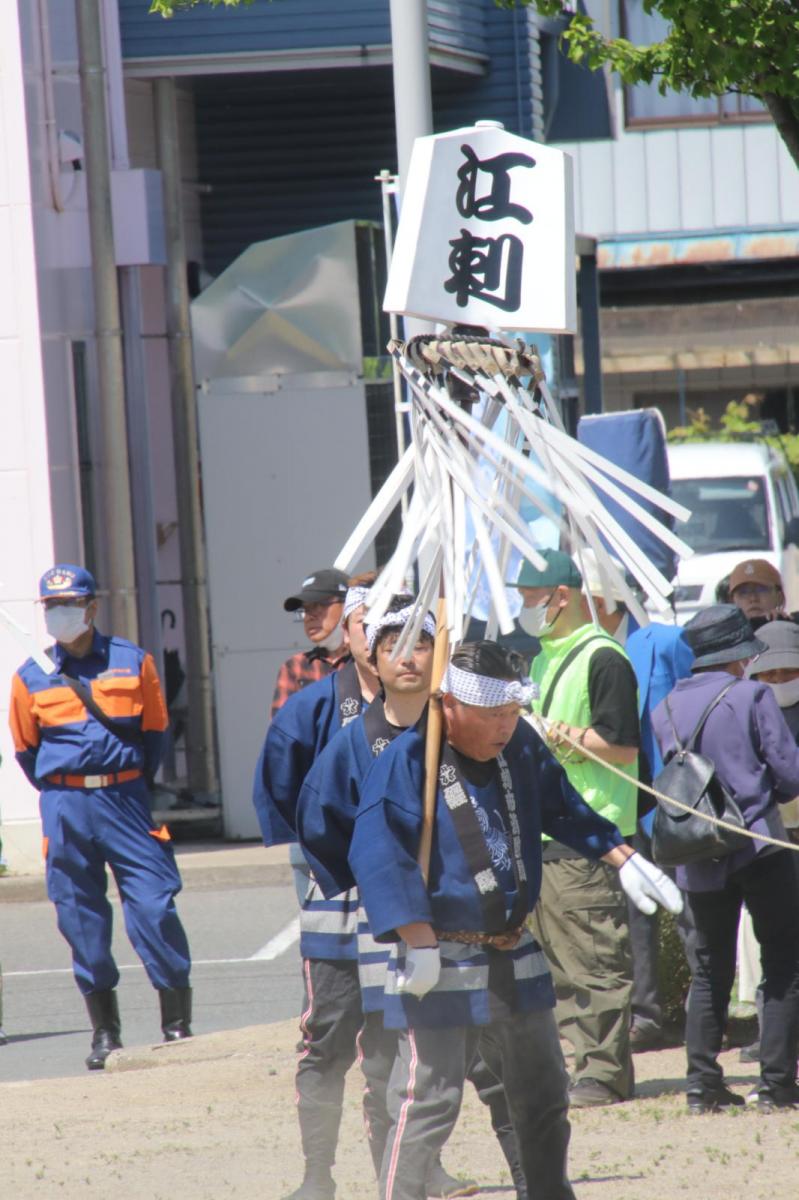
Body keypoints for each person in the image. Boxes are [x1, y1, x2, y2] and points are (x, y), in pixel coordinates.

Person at [349, 640, 682, 1200]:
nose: (505, 727)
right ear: (450, 704)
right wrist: (418, 939)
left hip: (513, 945)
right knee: (430, 1097)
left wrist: (623, 857)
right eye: (492, 715)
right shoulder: (410, 759)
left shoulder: (520, 745)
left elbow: (563, 805)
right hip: (442, 951)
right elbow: (379, 854)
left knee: (543, 1091)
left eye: (511, 714)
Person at [299, 608, 521, 1199]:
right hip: (373, 920)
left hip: (459, 924)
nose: (406, 658)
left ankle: (448, 1172)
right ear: (371, 655)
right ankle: (332, 1175)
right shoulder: (352, 741)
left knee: (468, 1061)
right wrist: (375, 877)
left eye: (421, 645)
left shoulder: (468, 738)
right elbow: (310, 814)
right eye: (391, 645)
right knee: (366, 1051)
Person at [8, 565, 192, 1070]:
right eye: (50, 606)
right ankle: (104, 1033)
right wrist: (69, 788)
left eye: (68, 604)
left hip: (125, 800)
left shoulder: (134, 663)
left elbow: (155, 732)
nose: (58, 614)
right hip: (67, 806)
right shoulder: (30, 673)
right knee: (80, 917)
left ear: (91, 607)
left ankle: (176, 1025)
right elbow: (27, 750)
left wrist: (123, 782)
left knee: (154, 906)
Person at [652, 604, 799, 1113]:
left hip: (697, 852)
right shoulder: (753, 695)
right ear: (739, 655)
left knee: (709, 970)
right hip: (758, 844)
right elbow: (790, 776)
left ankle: (702, 1086)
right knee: (783, 962)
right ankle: (777, 1084)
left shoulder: (665, 706)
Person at [518, 550, 640, 1106]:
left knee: (594, 960)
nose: (525, 608)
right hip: (547, 833)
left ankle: (604, 1072)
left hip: (591, 833)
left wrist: (564, 735)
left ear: (560, 596)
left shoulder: (604, 657)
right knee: (559, 967)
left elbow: (622, 744)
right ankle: (582, 1064)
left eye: (530, 598)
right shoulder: (545, 657)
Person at [271, 567, 351, 720]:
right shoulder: (295, 667)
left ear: (348, 605)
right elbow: (282, 736)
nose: (309, 617)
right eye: (306, 609)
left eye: (319, 605)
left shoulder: (369, 662)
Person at [728, 558, 798, 631]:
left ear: (779, 596)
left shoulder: (794, 627)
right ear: (732, 601)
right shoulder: (723, 635)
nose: (753, 598)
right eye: (743, 593)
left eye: (761, 590)